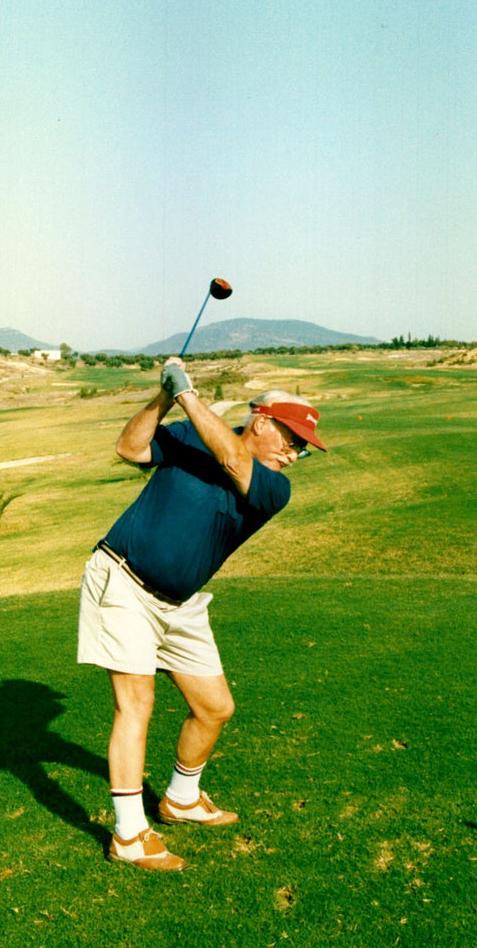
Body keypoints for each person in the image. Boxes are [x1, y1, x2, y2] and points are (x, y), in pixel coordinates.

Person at [78, 356, 326, 871]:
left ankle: (181, 799)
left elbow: (234, 459)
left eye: (303, 446)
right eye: (292, 439)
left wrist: (188, 392)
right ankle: (128, 835)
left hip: (181, 605)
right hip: (122, 580)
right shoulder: (189, 436)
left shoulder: (273, 486)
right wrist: (164, 398)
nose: (296, 454)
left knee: (214, 707)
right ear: (262, 420)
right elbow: (130, 448)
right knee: (136, 703)